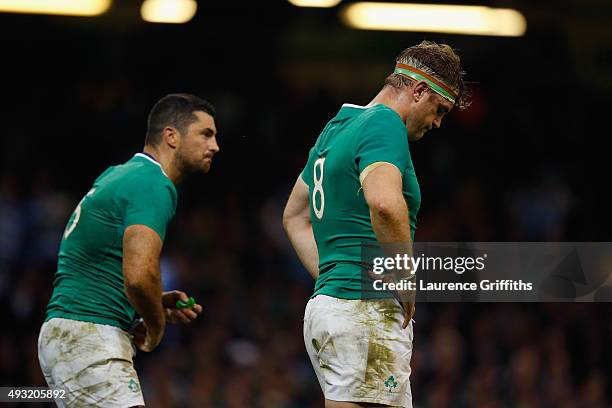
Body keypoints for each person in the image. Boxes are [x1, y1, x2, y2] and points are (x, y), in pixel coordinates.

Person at [283, 41, 469, 408]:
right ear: (418, 91)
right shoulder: (385, 123)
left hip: (331, 310)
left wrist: (332, 280)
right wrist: (405, 279)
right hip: (366, 310)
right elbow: (384, 202)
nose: (437, 122)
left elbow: (294, 216)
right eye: (439, 109)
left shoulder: (338, 128)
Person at [38, 93, 220, 407]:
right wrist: (156, 327)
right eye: (206, 134)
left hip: (68, 335)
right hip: (89, 338)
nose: (215, 145)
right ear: (171, 136)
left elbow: (104, 266)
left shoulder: (119, 174)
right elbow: (138, 274)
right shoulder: (152, 183)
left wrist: (152, 301)